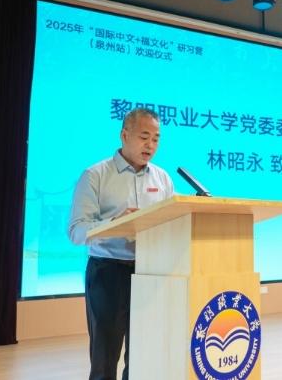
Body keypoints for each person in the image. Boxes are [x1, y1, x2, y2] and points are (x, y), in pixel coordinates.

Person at [68, 108, 174, 380]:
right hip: (107, 272)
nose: (150, 145)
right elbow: (76, 231)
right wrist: (115, 223)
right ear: (124, 135)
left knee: (143, 357)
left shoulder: (163, 179)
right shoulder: (95, 175)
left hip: (150, 273)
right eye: (144, 137)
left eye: (156, 139)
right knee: (105, 358)